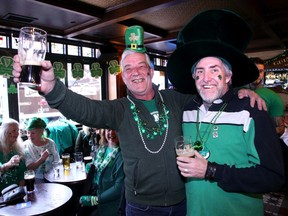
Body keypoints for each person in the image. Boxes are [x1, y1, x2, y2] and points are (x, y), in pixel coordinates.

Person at [12, 25, 266, 216]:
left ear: (151, 71)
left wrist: (239, 93)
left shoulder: (177, 99)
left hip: (182, 203)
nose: (135, 73)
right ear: (123, 76)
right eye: (128, 68)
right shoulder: (120, 109)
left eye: (140, 66)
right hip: (141, 207)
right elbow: (86, 110)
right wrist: (52, 88)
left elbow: (209, 90)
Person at [166, 10, 285, 216]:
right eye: (199, 72)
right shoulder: (187, 110)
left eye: (214, 69)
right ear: (194, 78)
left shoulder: (251, 110)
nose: (206, 78)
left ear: (228, 76)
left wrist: (210, 170)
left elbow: (273, 177)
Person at [79, 129, 124, 216]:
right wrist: (92, 168)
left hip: (111, 207)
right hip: (96, 199)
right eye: (108, 129)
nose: (111, 133)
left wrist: (94, 200)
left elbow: (119, 188)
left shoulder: (122, 155)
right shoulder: (103, 148)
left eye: (115, 129)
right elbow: (99, 169)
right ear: (104, 132)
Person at [249, 57, 285, 136]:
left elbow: (280, 128)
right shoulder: (235, 92)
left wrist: (258, 135)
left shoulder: (273, 97)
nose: (258, 74)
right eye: (254, 71)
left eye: (261, 71)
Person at [0, 118, 26, 191]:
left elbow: (22, 174)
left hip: (15, 192)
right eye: (14, 130)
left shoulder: (18, 150)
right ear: (4, 132)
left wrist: (20, 192)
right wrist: (9, 164)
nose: (17, 133)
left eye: (18, 131)